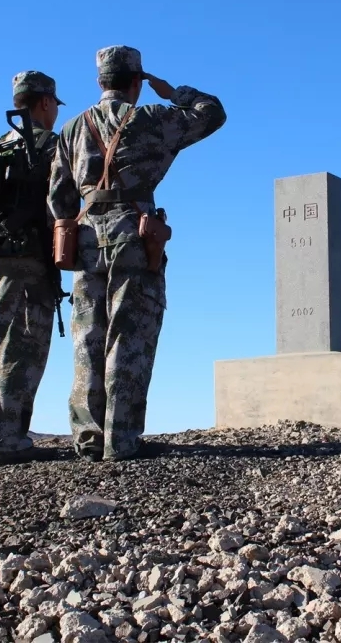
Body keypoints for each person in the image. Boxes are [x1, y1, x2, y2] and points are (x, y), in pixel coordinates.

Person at [48, 46, 226, 462]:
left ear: (99, 82)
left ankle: (88, 440)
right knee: (131, 336)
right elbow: (212, 112)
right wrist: (172, 91)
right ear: (136, 81)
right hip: (135, 231)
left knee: (88, 339)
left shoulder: (72, 128)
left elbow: (58, 195)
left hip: (87, 236)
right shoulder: (151, 119)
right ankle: (121, 439)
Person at [0, 71, 65, 468]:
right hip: (26, 263)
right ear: (44, 103)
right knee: (21, 350)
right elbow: (63, 199)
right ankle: (7, 440)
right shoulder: (47, 144)